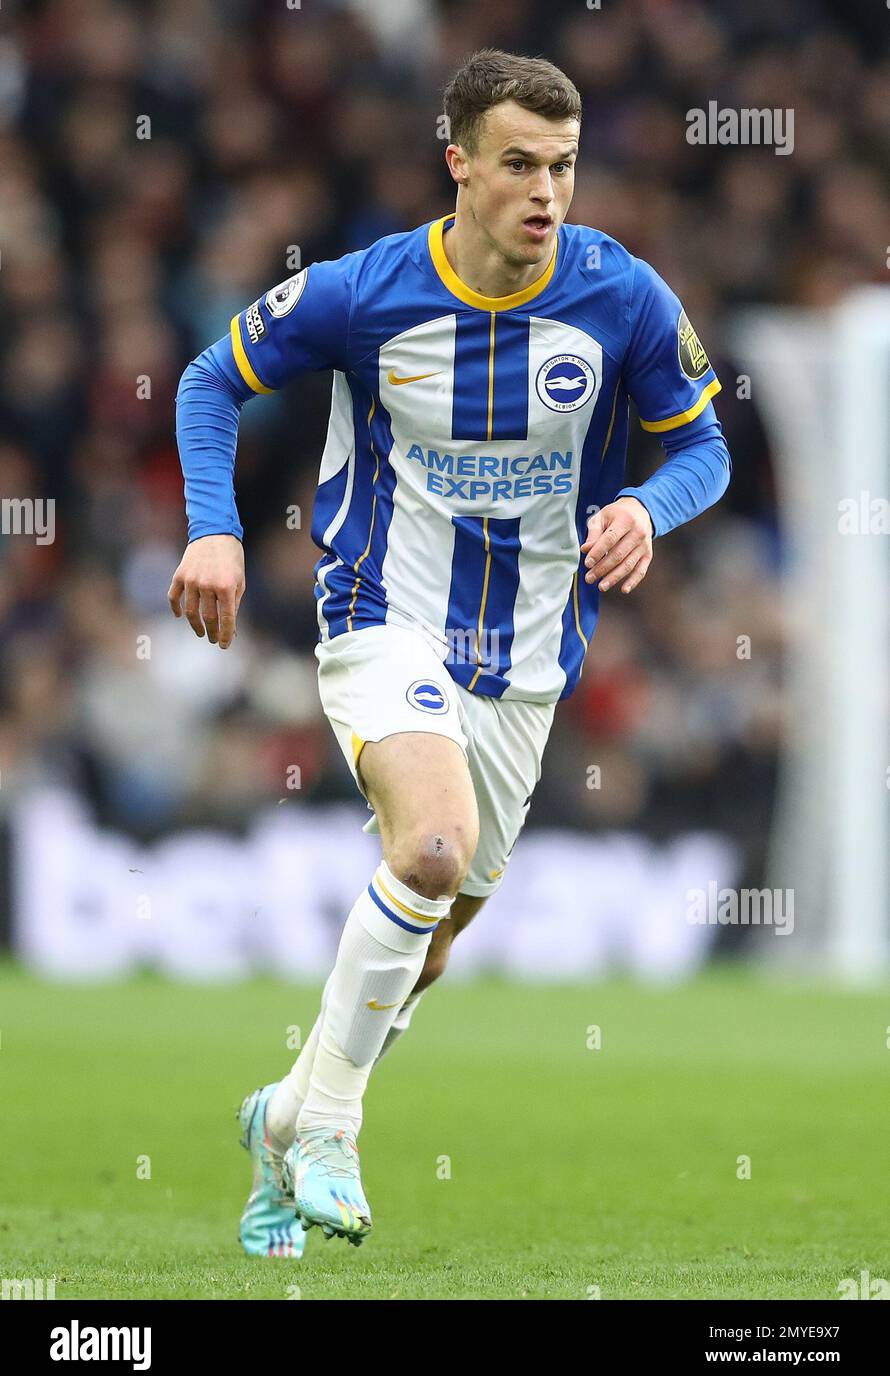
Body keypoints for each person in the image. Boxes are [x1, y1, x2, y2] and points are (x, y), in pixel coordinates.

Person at [170, 48, 730, 1258]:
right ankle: (328, 1128)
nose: (546, 193)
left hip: (527, 657)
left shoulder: (621, 296)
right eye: (520, 164)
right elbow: (212, 379)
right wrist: (215, 530)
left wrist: (645, 508)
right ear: (458, 165)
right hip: (384, 608)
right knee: (428, 846)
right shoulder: (366, 290)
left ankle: (281, 1109)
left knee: (423, 950)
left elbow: (705, 451)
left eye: (565, 167)